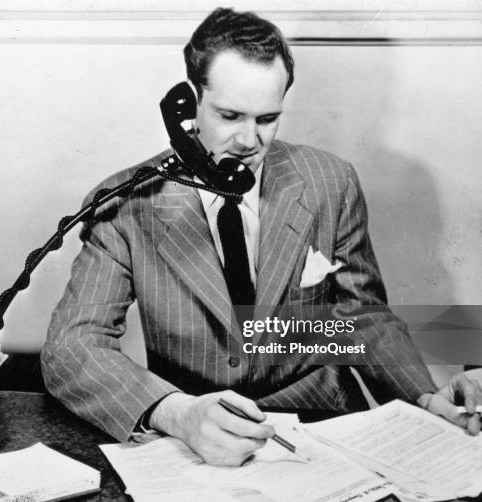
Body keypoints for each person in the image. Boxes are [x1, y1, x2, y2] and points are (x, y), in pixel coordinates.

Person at [41, 7, 482, 466]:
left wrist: (425, 397)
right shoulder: (127, 203)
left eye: (267, 119)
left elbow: (362, 317)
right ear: (188, 102)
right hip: (200, 437)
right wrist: (176, 413)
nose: (248, 141)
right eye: (229, 115)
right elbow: (72, 346)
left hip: (321, 424)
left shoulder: (330, 182)